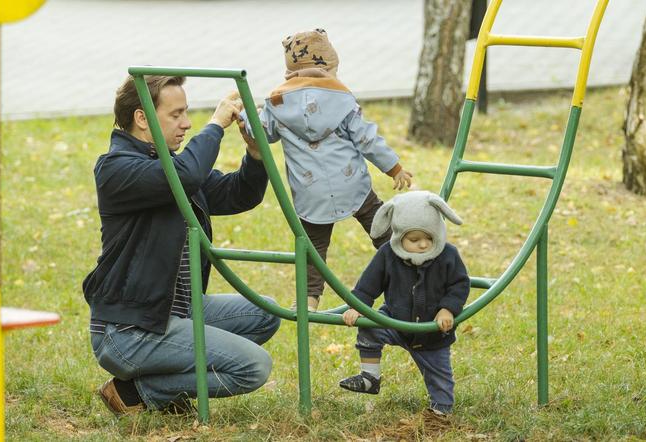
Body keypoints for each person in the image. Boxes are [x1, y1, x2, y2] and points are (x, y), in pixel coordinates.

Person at [83, 74, 281, 415]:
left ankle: (149, 382)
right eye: (176, 115)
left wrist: (254, 151)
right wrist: (216, 124)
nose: (187, 123)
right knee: (254, 367)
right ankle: (137, 392)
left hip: (176, 312)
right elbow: (186, 176)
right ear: (142, 118)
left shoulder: (175, 166)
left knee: (265, 313)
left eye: (186, 113)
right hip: (131, 328)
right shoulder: (116, 168)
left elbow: (239, 194)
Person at [241, 28, 413, 312]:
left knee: (313, 249)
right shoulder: (342, 99)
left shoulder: (277, 103)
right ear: (329, 66)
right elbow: (366, 138)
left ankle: (309, 300)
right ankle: (407, 273)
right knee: (380, 227)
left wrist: (244, 113)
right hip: (351, 183)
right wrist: (394, 168)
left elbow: (262, 132)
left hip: (311, 192)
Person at [338, 191, 470, 415]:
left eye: (429, 237)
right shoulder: (388, 254)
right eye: (414, 239)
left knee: (439, 375)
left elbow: (459, 285)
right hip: (394, 321)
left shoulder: (448, 255)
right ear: (399, 236)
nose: (423, 245)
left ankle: (441, 411)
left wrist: (447, 309)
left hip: (433, 332)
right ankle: (370, 377)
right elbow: (369, 283)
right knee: (370, 327)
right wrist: (357, 306)